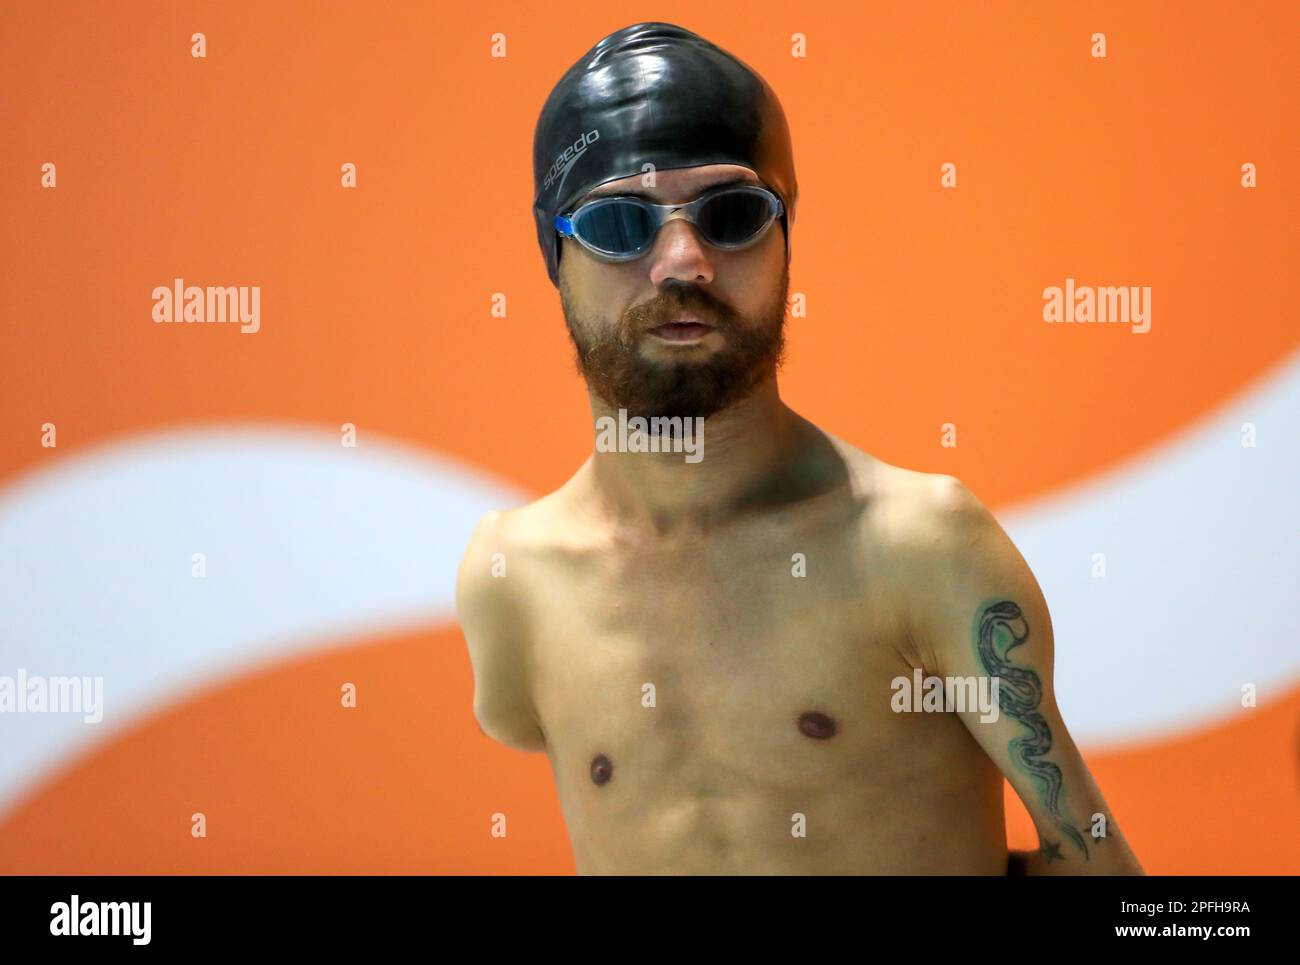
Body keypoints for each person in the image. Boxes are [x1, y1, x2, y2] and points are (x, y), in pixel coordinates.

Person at [456, 21, 1144, 875]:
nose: (684, 260)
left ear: (788, 239)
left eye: (733, 212)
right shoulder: (511, 580)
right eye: (620, 222)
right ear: (552, 254)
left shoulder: (920, 546)